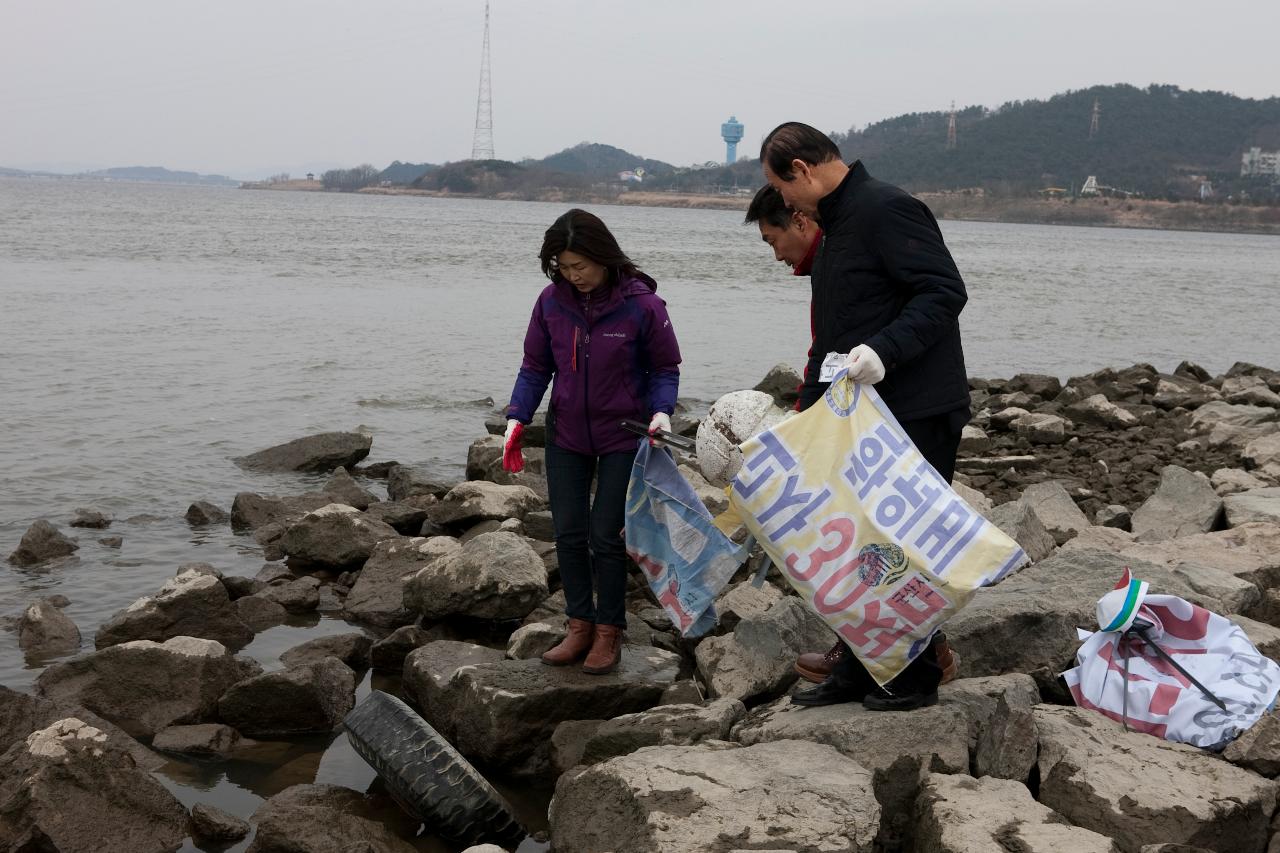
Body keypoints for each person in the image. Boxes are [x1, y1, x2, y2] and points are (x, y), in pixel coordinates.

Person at [760, 122, 971, 711]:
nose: (785, 203)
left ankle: (915, 676)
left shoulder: (887, 209)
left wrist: (886, 350)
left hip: (918, 407)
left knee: (904, 545)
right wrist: (806, 416)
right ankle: (858, 667)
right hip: (862, 415)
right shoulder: (836, 227)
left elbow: (943, 292)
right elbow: (833, 335)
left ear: (801, 170)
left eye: (781, 189)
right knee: (861, 545)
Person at [503, 209, 682, 675]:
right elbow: (535, 367)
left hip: (624, 434)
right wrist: (517, 416)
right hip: (566, 432)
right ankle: (578, 625)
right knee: (567, 532)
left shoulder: (642, 306)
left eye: (580, 265)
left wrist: (662, 412)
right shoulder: (550, 303)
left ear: (603, 256)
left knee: (605, 536)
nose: (573, 275)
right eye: (563, 267)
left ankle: (609, 632)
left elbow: (665, 369)